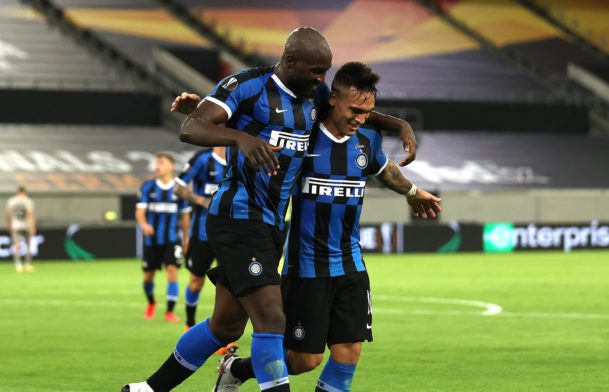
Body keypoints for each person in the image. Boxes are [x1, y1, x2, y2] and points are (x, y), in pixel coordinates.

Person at [123, 26, 417, 392]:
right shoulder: (246, 86)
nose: (321, 80)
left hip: (271, 224)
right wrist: (241, 138)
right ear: (290, 61)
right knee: (271, 319)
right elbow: (191, 128)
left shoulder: (314, 95)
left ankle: (149, 389)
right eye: (315, 72)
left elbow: (350, 112)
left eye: (325, 73)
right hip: (237, 216)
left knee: (226, 326)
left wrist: (399, 124)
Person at [212, 62, 442, 392]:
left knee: (350, 350)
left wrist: (411, 192)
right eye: (355, 110)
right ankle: (237, 368)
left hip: (350, 264)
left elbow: (385, 169)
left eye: (368, 112)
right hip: (306, 267)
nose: (360, 118)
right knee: (305, 360)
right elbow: (257, 135)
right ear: (332, 99)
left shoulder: (367, 142)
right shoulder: (303, 138)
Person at [174, 147, 226, 330]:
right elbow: (178, 188)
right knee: (196, 281)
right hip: (202, 232)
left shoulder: (240, 154)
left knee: (228, 285)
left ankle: (224, 333)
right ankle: (189, 323)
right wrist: (201, 200)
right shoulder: (203, 158)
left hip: (230, 235)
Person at [136, 152, 191, 323]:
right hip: (152, 239)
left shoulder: (179, 189)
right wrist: (144, 225)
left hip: (172, 238)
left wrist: (187, 238)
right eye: (156, 163)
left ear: (171, 166)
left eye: (161, 163)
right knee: (148, 276)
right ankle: (151, 302)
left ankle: (169, 312)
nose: (157, 166)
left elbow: (185, 217)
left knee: (172, 271)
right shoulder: (148, 187)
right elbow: (140, 212)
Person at [5, 186, 36, 273]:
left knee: (16, 245)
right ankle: (28, 265)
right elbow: (30, 215)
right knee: (28, 245)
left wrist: (8, 224)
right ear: (24, 192)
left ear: (17, 192)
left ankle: (18, 265)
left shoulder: (11, 201)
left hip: (15, 225)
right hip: (26, 225)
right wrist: (33, 226)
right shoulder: (28, 201)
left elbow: (8, 214)